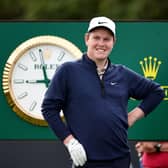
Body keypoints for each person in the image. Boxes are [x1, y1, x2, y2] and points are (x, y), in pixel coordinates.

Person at [41, 16, 165, 168]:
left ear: (113, 42)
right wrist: (69, 141)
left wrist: (132, 117)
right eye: (96, 38)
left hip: (121, 159)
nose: (101, 43)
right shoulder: (68, 71)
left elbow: (156, 92)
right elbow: (49, 109)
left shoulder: (122, 74)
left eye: (106, 39)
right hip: (85, 160)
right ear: (87, 39)